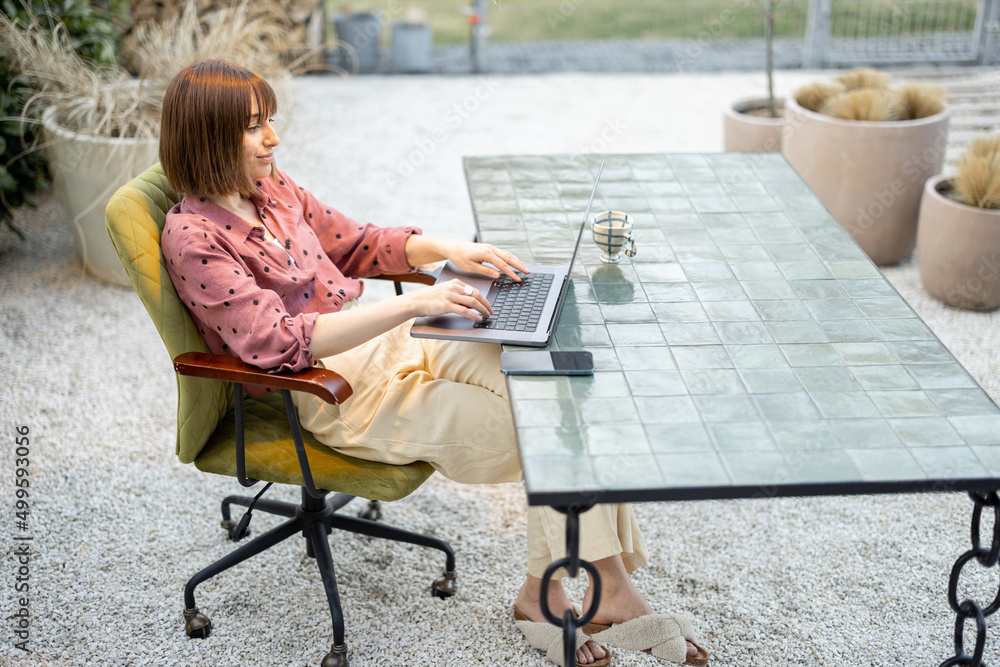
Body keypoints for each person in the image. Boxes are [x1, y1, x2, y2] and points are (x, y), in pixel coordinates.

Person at [159, 60, 708, 666]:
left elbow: (358, 242)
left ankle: (602, 593)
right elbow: (277, 344)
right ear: (210, 137)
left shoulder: (273, 187)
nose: (273, 139)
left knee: (563, 389)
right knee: (543, 433)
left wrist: (451, 249)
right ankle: (553, 597)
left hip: (398, 342)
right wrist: (417, 303)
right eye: (254, 127)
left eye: (270, 122)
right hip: (333, 391)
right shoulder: (194, 239)